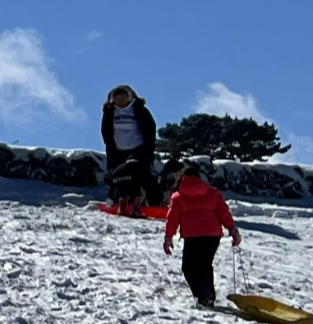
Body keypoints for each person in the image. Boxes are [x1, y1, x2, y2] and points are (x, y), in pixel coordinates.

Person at [163, 163, 241, 304]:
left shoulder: (178, 197)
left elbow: (172, 219)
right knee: (205, 265)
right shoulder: (213, 193)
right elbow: (224, 213)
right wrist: (233, 229)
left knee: (188, 268)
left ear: (182, 178)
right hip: (212, 236)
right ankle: (208, 296)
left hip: (193, 236)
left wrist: (168, 237)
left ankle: (203, 296)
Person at [101, 86, 160, 208]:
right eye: (117, 99)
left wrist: (148, 149)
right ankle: (118, 200)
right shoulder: (110, 112)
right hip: (118, 152)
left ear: (129, 97)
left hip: (138, 149)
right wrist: (110, 147)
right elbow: (106, 131)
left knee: (142, 176)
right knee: (119, 176)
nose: (120, 101)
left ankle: (154, 202)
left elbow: (150, 127)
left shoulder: (138, 109)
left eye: (122, 98)